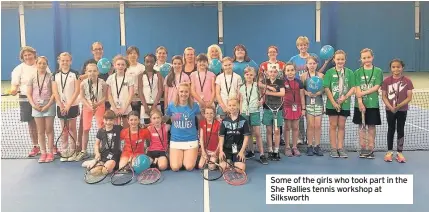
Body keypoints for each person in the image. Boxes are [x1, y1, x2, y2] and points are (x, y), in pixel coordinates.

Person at [10, 46, 51, 157]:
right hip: (25, 99)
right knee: (31, 124)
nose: (28, 57)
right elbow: (15, 84)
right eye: (25, 55)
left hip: (43, 99)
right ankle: (36, 146)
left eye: (29, 54)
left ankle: (50, 146)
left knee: (46, 125)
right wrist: (14, 89)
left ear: (34, 54)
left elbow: (50, 80)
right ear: (22, 57)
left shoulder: (41, 64)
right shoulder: (18, 69)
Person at [289, 36, 330, 145]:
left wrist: (325, 63)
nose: (303, 47)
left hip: (314, 95)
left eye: (305, 44)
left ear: (307, 45)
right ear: (298, 46)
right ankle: (300, 137)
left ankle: (310, 140)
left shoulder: (313, 57)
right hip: (298, 90)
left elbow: (318, 72)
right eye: (300, 45)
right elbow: (288, 70)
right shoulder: (293, 59)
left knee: (311, 118)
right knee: (299, 113)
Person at [323, 50, 355, 158]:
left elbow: (353, 87)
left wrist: (344, 97)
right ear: (334, 60)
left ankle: (340, 148)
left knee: (341, 126)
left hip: (344, 104)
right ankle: (333, 148)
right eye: (338, 59)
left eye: (342, 59)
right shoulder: (329, 73)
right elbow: (327, 88)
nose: (340, 61)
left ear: (345, 60)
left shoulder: (350, 72)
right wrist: (333, 102)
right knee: (333, 126)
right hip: (331, 104)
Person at [381, 59, 413, 163]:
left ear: (402, 68)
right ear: (391, 68)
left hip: (402, 110)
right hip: (390, 110)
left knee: (400, 130)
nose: (396, 69)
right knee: (391, 129)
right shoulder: (386, 81)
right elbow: (384, 96)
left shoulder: (407, 81)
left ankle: (399, 152)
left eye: (398, 67)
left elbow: (409, 97)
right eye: (393, 67)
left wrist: (399, 106)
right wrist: (390, 107)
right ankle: (389, 152)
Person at [353, 48, 383, 159]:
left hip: (372, 104)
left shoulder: (378, 71)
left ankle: (371, 148)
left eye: (368, 57)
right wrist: (360, 102)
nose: (366, 60)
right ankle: (363, 148)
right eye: (364, 58)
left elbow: (376, 87)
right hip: (359, 105)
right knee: (361, 126)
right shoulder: (357, 72)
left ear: (372, 57)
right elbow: (357, 88)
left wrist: (363, 93)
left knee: (371, 127)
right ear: (361, 59)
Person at [52, 52, 81, 162]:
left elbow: (77, 90)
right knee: (64, 129)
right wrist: (61, 104)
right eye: (62, 60)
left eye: (67, 60)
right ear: (59, 61)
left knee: (73, 129)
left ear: (70, 61)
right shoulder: (55, 75)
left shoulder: (75, 74)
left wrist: (68, 105)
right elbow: (55, 91)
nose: (65, 62)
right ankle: (64, 151)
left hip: (72, 105)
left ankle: (73, 151)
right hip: (61, 106)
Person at [165, 83, 201, 171]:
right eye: (181, 91)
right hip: (176, 140)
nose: (183, 94)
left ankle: (194, 156)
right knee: (175, 167)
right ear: (178, 92)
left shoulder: (195, 106)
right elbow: (164, 119)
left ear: (189, 93)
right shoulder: (171, 105)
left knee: (189, 167)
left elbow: (201, 121)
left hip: (191, 140)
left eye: (186, 92)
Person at [26, 56, 56, 163]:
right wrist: (33, 105)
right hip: (36, 107)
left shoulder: (51, 77)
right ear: (36, 64)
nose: (42, 65)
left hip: (49, 106)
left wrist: (47, 105)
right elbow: (29, 94)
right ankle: (43, 153)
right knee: (40, 131)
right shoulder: (32, 77)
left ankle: (50, 152)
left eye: (44, 63)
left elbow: (54, 93)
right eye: (40, 63)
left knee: (49, 129)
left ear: (47, 65)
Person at [79, 63, 107, 161]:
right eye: (90, 71)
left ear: (98, 72)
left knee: (102, 128)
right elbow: (82, 97)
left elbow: (105, 97)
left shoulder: (103, 83)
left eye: (94, 71)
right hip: (87, 107)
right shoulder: (83, 83)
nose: (92, 73)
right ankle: (83, 151)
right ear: (86, 72)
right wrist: (89, 106)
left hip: (100, 106)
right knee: (85, 129)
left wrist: (97, 104)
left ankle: (103, 149)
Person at [239, 67, 266, 164]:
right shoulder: (241, 87)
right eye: (247, 74)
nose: (249, 76)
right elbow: (241, 100)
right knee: (248, 133)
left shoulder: (257, 86)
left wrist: (261, 101)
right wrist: (240, 111)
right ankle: (251, 151)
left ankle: (262, 154)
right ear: (244, 75)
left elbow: (262, 97)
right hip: (244, 112)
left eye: (251, 74)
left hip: (255, 112)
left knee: (257, 133)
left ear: (254, 76)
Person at [300, 56, 325, 156]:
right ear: (306, 65)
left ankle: (317, 146)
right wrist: (307, 93)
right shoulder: (303, 76)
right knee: (310, 125)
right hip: (308, 103)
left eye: (314, 63)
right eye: (310, 63)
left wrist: (319, 92)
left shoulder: (321, 76)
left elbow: (323, 89)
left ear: (317, 64)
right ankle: (309, 146)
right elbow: (301, 90)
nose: (312, 65)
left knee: (318, 125)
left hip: (318, 103)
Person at [218, 97, 250, 172]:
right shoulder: (224, 121)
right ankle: (229, 161)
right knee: (222, 168)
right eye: (230, 105)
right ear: (227, 107)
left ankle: (234, 162)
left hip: (237, 149)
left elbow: (246, 138)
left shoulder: (243, 121)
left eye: (234, 105)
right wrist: (221, 151)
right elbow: (221, 137)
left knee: (240, 169)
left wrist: (242, 152)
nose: (232, 107)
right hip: (226, 148)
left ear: (238, 106)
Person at [283, 62, 305, 157]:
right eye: (288, 70)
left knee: (296, 127)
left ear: (295, 71)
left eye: (292, 70)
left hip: (297, 107)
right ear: (285, 72)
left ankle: (294, 147)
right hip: (286, 107)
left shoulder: (299, 82)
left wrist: (303, 108)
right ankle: (287, 147)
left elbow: (302, 95)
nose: (290, 72)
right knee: (287, 127)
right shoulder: (282, 82)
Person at [106, 55, 134, 128]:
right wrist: (115, 109)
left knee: (127, 128)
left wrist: (124, 109)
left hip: (126, 108)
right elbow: (109, 94)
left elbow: (131, 94)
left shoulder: (129, 78)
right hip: (114, 108)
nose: (120, 66)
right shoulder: (110, 78)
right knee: (115, 129)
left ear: (125, 66)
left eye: (122, 64)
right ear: (114, 65)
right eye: (118, 64)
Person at [138, 54, 163, 124]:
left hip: (156, 105)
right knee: (145, 127)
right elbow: (140, 91)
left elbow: (160, 90)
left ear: (155, 62)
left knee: (156, 125)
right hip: (144, 106)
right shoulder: (140, 75)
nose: (149, 64)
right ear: (144, 62)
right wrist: (145, 106)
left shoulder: (158, 74)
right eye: (147, 61)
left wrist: (154, 105)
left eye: (151, 62)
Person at [126, 46, 145, 116]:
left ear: (138, 55)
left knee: (138, 116)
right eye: (130, 53)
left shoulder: (142, 68)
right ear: (127, 55)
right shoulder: (124, 67)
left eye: (135, 53)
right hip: (126, 97)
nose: (133, 55)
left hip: (138, 96)